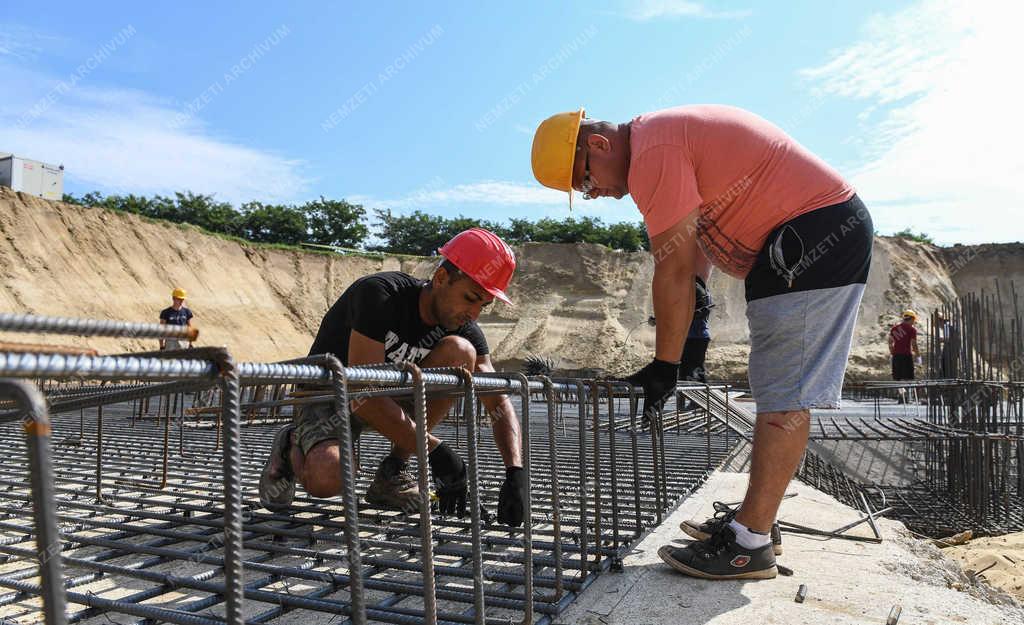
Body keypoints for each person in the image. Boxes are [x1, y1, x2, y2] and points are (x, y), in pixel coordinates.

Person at [531, 104, 873, 579]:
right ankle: (757, 520)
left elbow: (671, 269)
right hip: (805, 236)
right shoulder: (660, 142)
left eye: (585, 182)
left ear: (598, 145)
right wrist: (689, 348)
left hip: (815, 235)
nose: (594, 195)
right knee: (777, 389)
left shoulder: (655, 152)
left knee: (783, 396)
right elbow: (693, 260)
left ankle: (748, 545)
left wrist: (665, 364)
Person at [259, 228, 529, 527]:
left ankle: (392, 473)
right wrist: (436, 452)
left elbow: (496, 400)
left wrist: (515, 471)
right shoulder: (380, 295)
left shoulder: (460, 325)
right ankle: (289, 445)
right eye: (470, 298)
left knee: (460, 352)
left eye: (484, 306)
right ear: (441, 279)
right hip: (329, 396)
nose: (474, 314)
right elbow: (363, 393)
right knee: (328, 479)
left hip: (385, 397)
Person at [889, 309, 920, 396]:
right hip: (906, 356)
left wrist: (892, 352)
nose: (914, 322)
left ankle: (901, 396)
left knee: (898, 377)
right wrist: (918, 356)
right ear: (911, 319)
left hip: (896, 356)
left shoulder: (894, 328)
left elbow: (890, 342)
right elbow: (914, 344)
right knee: (908, 377)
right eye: (914, 320)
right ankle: (907, 397)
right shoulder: (912, 329)